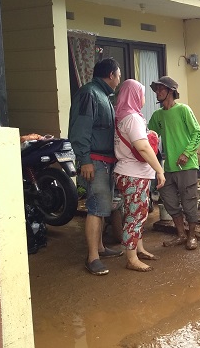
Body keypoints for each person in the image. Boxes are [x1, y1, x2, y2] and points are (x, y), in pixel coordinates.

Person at [68, 58, 123, 276]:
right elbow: (80, 129)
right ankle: (92, 257)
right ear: (111, 74)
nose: (119, 80)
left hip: (105, 161)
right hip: (95, 160)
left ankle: (100, 247)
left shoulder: (104, 96)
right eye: (118, 75)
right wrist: (85, 160)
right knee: (95, 207)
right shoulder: (89, 94)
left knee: (102, 207)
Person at [113, 79, 166, 272]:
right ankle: (131, 258)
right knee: (134, 216)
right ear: (135, 95)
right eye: (142, 93)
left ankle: (139, 248)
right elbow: (142, 147)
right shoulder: (133, 118)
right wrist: (159, 170)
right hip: (134, 175)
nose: (144, 98)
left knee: (138, 214)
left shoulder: (123, 116)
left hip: (128, 173)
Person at [147, 76, 200, 251]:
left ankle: (192, 236)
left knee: (189, 201)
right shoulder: (157, 116)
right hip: (167, 167)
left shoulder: (183, 110)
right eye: (156, 89)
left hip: (187, 166)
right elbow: (150, 138)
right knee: (170, 201)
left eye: (161, 89)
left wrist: (187, 153)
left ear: (170, 91)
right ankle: (180, 235)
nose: (157, 93)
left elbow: (198, 133)